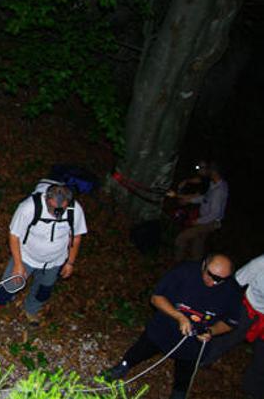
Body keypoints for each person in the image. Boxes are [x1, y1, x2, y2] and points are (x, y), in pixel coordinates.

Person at [103, 254, 241, 399]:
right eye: (210, 275)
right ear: (204, 264)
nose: (212, 281)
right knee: (139, 351)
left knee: (184, 377)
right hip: (163, 328)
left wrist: (211, 331)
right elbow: (156, 298)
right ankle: (121, 368)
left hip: (193, 344)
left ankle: (178, 394)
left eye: (219, 279)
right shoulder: (185, 272)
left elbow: (230, 322)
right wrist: (179, 317)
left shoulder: (231, 291)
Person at [0, 182, 87, 326]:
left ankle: (31, 309)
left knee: (44, 290)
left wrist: (70, 262)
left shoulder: (75, 210)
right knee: (9, 286)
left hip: (54, 261)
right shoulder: (29, 208)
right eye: (54, 208)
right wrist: (18, 264)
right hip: (27, 256)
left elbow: (76, 237)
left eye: (61, 209)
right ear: (47, 199)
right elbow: (14, 235)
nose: (57, 213)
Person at [204, 254, 264, 399]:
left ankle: (253, 391)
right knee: (225, 339)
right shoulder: (261, 264)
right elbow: (234, 283)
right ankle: (198, 362)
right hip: (249, 307)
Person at [166, 160, 229, 261]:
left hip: (209, 223)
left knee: (181, 239)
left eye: (209, 170)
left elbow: (214, 214)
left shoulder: (219, 191)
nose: (207, 172)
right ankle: (195, 267)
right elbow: (204, 198)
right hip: (204, 219)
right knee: (198, 246)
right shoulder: (213, 185)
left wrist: (198, 221)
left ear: (214, 172)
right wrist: (187, 199)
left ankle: (178, 264)